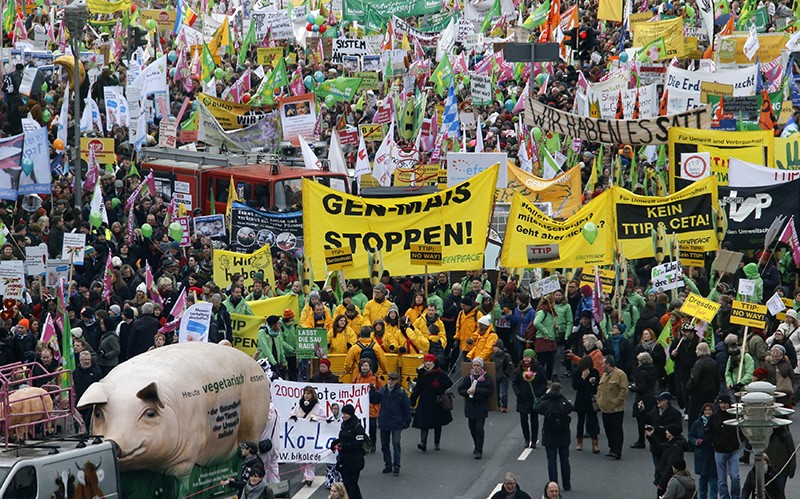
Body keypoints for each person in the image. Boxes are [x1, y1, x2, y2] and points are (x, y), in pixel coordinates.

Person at [370, 371, 412, 476]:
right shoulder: (382, 391)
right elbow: (374, 400)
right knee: (384, 445)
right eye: (389, 379)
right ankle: (388, 464)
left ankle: (396, 466)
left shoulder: (401, 392)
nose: (390, 381)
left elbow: (406, 407)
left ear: (397, 380)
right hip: (384, 421)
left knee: (396, 444)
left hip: (396, 421)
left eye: (393, 380)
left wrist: (407, 420)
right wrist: (372, 390)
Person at [535, 382, 573, 491]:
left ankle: (553, 484)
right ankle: (567, 484)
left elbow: (537, 407)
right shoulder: (563, 402)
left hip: (549, 435)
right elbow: (571, 408)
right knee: (564, 460)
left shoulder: (546, 402)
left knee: (551, 461)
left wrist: (545, 395)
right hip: (563, 435)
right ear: (560, 390)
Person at [410, 353, 453, 452]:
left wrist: (439, 386)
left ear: (434, 362)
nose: (428, 363)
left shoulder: (440, 373)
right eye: (426, 361)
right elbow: (418, 388)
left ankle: (436, 442)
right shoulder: (421, 373)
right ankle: (423, 443)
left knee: (438, 423)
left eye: (430, 361)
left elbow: (449, 383)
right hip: (424, 401)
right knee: (424, 423)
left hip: (437, 401)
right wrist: (413, 399)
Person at [458, 356, 494, 459]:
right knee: (472, 428)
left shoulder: (487, 378)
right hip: (470, 406)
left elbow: (490, 391)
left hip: (481, 406)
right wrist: (467, 392)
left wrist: (476, 390)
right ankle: (476, 444)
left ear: (481, 366)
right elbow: (461, 390)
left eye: (478, 365)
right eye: (474, 365)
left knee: (479, 429)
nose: (476, 367)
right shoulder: (468, 377)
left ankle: (479, 450)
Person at [290, 386, 326, 486]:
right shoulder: (299, 405)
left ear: (312, 395)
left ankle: (310, 477)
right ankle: (306, 475)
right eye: (305, 393)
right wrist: (293, 416)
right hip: (300, 434)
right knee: (301, 456)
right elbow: (293, 414)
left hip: (311, 435)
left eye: (308, 393)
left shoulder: (317, 407)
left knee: (309, 455)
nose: (306, 395)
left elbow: (323, 418)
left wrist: (315, 418)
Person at [331, 404, 367, 499]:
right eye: (343, 413)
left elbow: (358, 443)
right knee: (352, 485)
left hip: (355, 460)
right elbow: (343, 437)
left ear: (351, 414)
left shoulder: (357, 426)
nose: (344, 416)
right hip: (344, 460)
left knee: (349, 486)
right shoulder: (344, 424)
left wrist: (344, 446)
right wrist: (335, 442)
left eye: (346, 414)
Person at [514, 349, 548, 449]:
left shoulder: (539, 369)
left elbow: (543, 382)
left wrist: (539, 392)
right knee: (523, 419)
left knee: (534, 420)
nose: (526, 359)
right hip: (522, 398)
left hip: (534, 399)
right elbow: (515, 382)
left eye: (528, 357)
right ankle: (526, 438)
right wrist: (518, 393)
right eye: (525, 357)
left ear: (532, 358)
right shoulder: (520, 369)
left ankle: (534, 440)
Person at [596, 354, 628, 460]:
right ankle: (611, 448)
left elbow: (624, 390)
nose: (602, 365)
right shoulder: (604, 375)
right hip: (605, 408)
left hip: (616, 409)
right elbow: (600, 389)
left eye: (603, 363)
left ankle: (617, 451)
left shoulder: (620, 374)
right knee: (608, 429)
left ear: (609, 364)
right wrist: (599, 400)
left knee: (617, 430)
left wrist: (616, 401)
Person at [708, 394, 740, 499]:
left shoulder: (736, 415)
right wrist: (714, 442)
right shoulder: (714, 417)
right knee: (721, 479)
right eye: (721, 403)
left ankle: (735, 496)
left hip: (734, 450)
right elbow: (709, 431)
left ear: (729, 404)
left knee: (735, 476)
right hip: (720, 450)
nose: (723, 405)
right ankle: (724, 497)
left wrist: (740, 441)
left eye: (725, 403)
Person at [648, 423, 689, 498]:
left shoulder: (675, 448)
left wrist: (661, 483)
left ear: (672, 433)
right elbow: (659, 448)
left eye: (667, 431)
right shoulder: (672, 443)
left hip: (668, 481)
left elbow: (670, 467)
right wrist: (651, 436)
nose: (665, 432)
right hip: (667, 480)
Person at [687, 342, 720, 428]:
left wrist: (689, 389)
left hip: (698, 393)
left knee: (695, 415)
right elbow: (717, 379)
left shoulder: (699, 363)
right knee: (709, 412)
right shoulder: (713, 362)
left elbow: (694, 380)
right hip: (711, 392)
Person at [688, 403, 718, 499]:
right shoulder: (697, 423)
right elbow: (690, 436)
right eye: (705, 410)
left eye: (709, 410)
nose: (707, 412)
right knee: (703, 481)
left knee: (713, 481)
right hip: (701, 455)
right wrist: (696, 441)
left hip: (712, 454)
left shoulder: (716, 422)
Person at [571, 354, 600, 453]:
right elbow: (575, 386)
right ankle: (579, 442)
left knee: (593, 422)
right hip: (581, 399)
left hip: (591, 399)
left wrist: (593, 382)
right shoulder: (577, 373)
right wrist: (583, 378)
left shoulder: (594, 372)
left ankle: (595, 443)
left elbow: (597, 386)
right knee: (580, 421)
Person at [352, 359, 382, 452]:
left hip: (371, 409)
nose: (364, 368)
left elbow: (381, 393)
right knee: (359, 427)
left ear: (370, 367)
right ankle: (361, 444)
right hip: (359, 408)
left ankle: (372, 444)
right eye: (363, 366)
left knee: (372, 428)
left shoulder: (376, 379)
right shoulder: (356, 379)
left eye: (366, 366)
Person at [630, 351, 659, 449]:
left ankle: (641, 441)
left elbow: (641, 387)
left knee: (641, 420)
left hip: (642, 397)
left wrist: (632, 388)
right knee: (650, 419)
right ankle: (653, 438)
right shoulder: (653, 370)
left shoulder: (642, 372)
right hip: (651, 396)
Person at [492, 338, 514, 412]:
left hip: (503, 377)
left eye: (495, 346)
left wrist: (506, 374)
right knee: (496, 392)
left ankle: (504, 405)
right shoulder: (493, 356)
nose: (493, 348)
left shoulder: (506, 356)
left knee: (504, 393)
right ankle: (497, 405)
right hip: (496, 376)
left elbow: (510, 366)